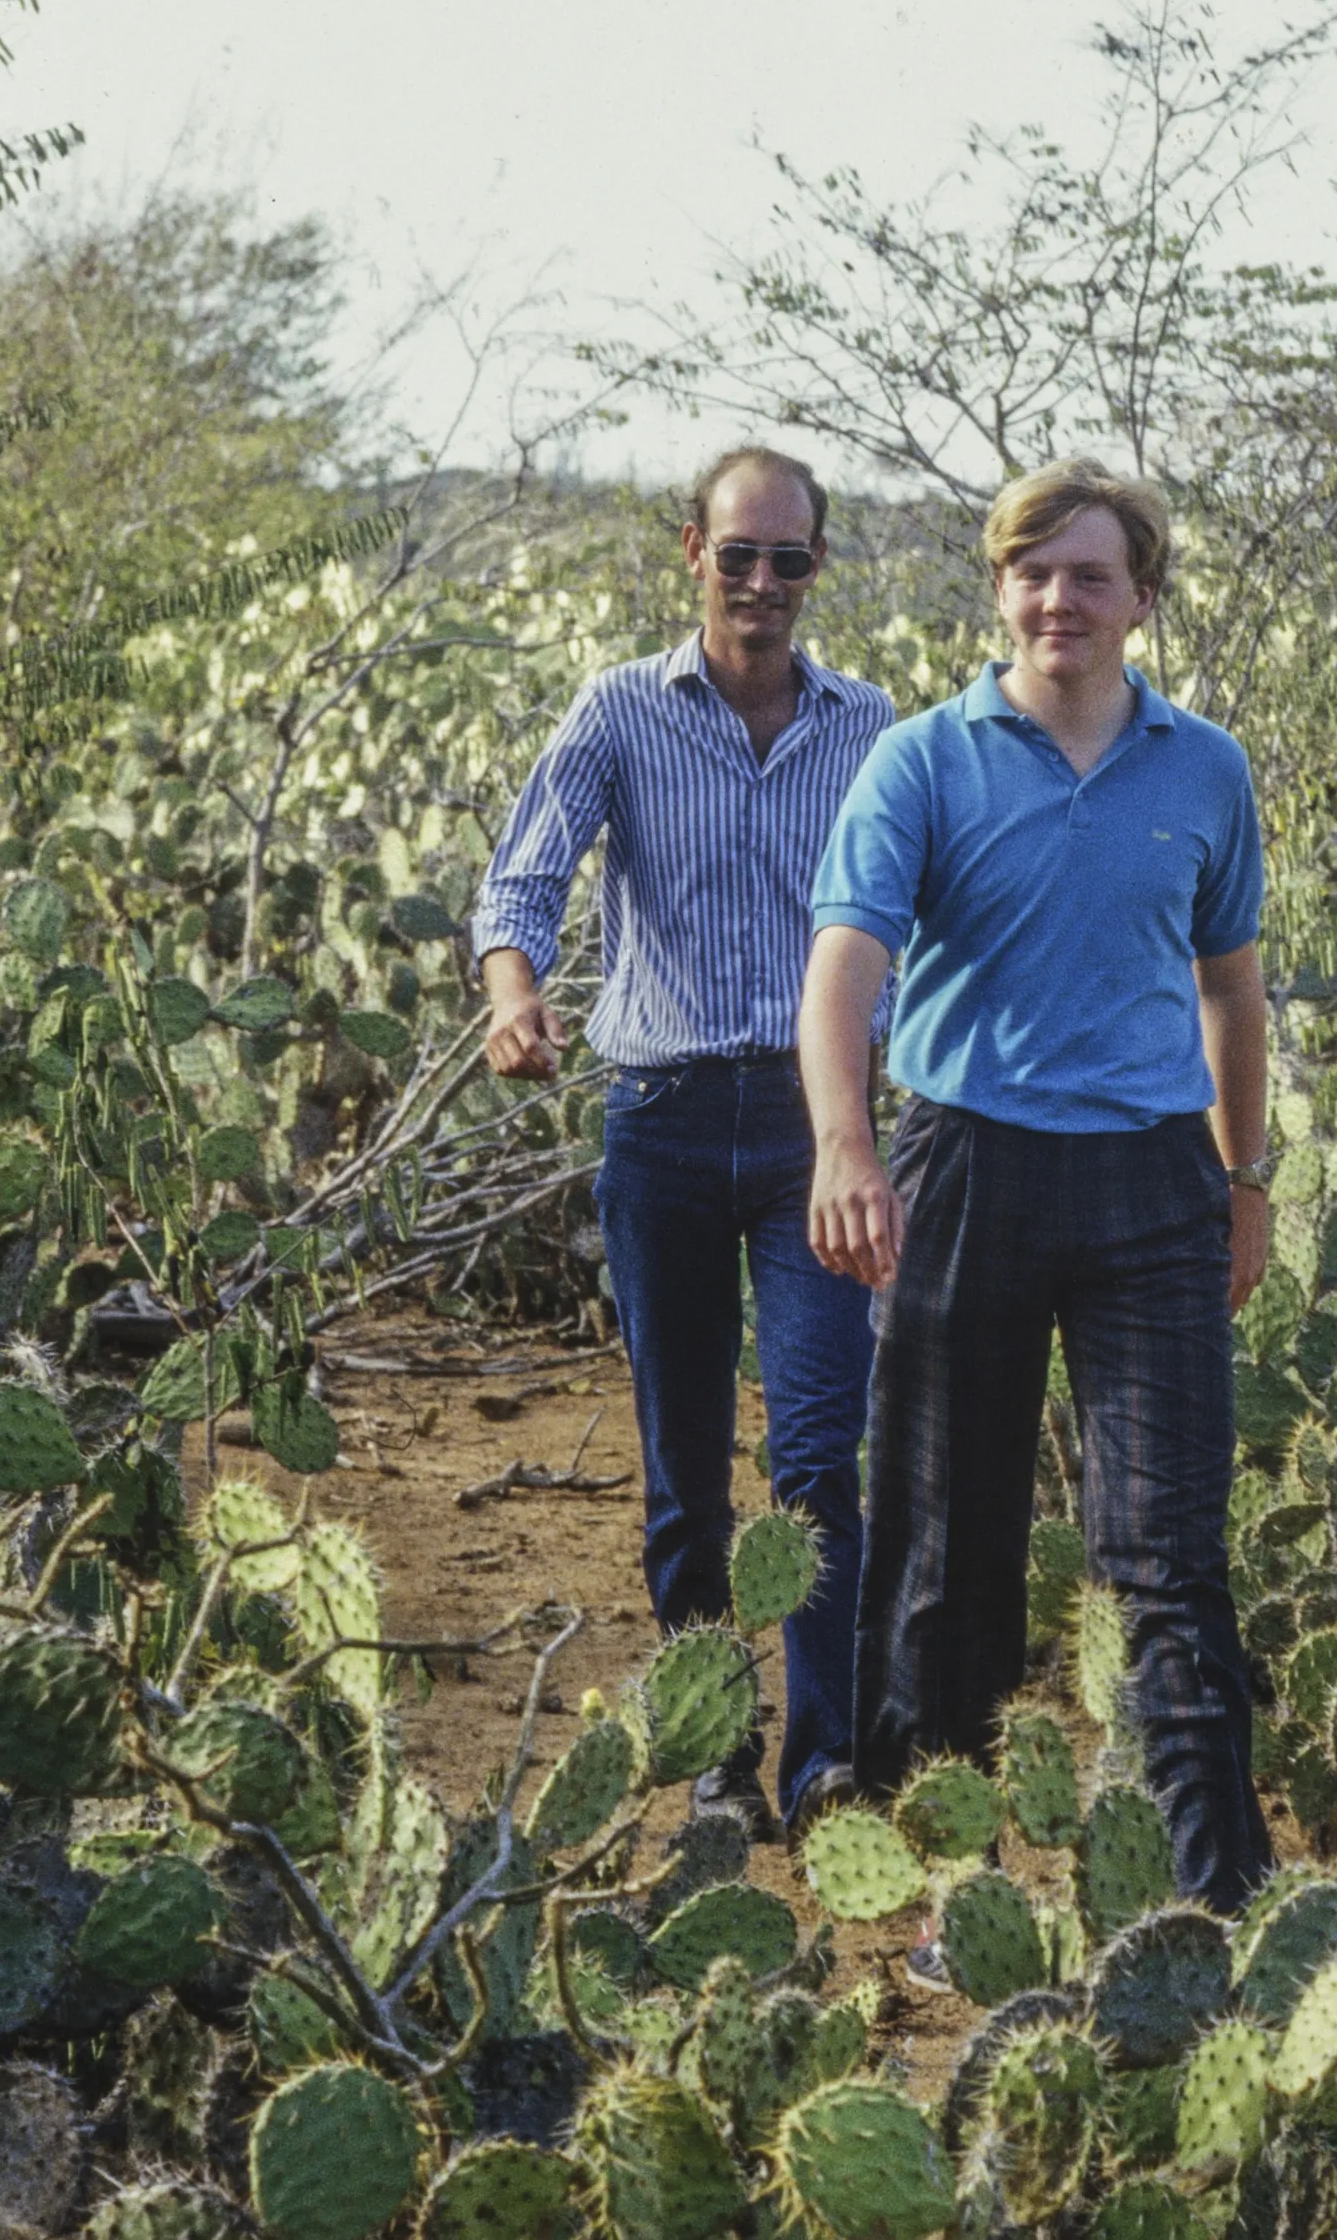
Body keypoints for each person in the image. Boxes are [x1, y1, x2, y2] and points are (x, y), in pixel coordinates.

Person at [800, 455, 1277, 1916]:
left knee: (1169, 1559)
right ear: (1001, 588)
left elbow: (1233, 991)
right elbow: (842, 973)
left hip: (1153, 1179)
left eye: (1090, 573)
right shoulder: (923, 760)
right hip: (966, 1163)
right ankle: (960, 1902)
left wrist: (1244, 1180)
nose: (1058, 598)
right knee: (950, 1556)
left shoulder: (1206, 765)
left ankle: (1218, 1904)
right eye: (1034, 571)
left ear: (1142, 596)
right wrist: (845, 1143)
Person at [468, 444, 896, 1834]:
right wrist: (515, 991)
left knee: (822, 1449)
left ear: (817, 570)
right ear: (691, 556)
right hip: (657, 1120)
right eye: (738, 555)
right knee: (685, 1463)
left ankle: (825, 1760)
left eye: (789, 559)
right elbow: (526, 872)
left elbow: (927, 912)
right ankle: (714, 1738)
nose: (762, 583)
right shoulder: (620, 712)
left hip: (812, 1126)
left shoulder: (869, 726)